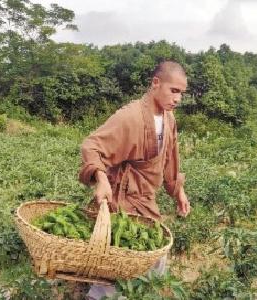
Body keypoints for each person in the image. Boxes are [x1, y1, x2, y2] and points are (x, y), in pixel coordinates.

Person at [78, 60, 191, 299]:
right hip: (124, 198)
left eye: (182, 93)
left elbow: (170, 156)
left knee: (151, 250)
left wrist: (177, 190)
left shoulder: (168, 119)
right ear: (156, 83)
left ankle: (143, 292)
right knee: (121, 255)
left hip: (146, 197)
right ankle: (98, 295)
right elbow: (92, 146)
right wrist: (101, 179)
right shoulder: (129, 117)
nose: (178, 98)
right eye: (174, 90)